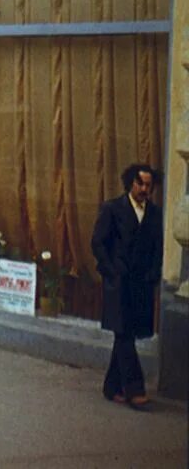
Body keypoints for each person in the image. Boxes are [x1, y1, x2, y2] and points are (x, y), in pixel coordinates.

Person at [91, 163, 164, 410]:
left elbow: (157, 247)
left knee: (126, 333)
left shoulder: (154, 214)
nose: (145, 189)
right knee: (123, 333)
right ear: (130, 183)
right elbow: (98, 243)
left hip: (141, 284)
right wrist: (111, 271)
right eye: (140, 183)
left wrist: (154, 274)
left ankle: (112, 387)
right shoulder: (113, 209)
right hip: (118, 282)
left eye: (149, 185)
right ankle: (135, 389)